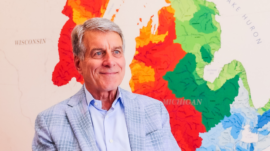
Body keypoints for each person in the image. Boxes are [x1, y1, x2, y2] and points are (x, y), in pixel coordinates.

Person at [32, 18, 180, 151]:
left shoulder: (154, 111)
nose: (110, 62)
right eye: (98, 53)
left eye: (116, 52)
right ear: (78, 64)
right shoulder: (50, 122)